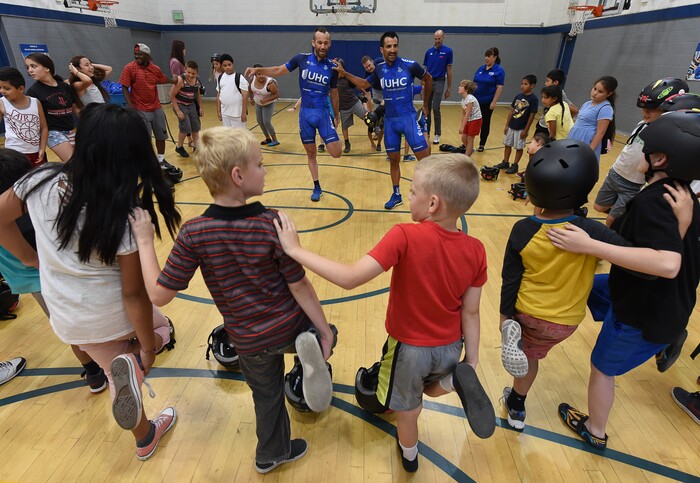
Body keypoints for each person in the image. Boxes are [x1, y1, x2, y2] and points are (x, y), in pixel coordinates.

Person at [128, 126, 335, 473]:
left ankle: (271, 454)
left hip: (248, 339)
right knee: (323, 332)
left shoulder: (194, 232)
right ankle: (308, 351)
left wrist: (146, 241)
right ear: (238, 176)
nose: (265, 170)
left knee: (266, 397)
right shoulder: (273, 223)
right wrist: (323, 329)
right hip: (287, 327)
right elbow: (300, 285)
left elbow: (160, 295)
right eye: (260, 164)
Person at [273, 153, 495, 472]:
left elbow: (350, 278)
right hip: (451, 345)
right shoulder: (476, 250)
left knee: (408, 411)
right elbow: (471, 313)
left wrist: (296, 250)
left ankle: (409, 455)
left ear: (432, 204)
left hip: (408, 350)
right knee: (433, 382)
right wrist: (470, 361)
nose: (408, 194)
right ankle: (454, 382)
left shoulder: (404, 235)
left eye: (413, 190)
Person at [0, 103, 181, 460]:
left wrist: (27, 257)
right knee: (162, 332)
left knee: (115, 375)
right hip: (113, 314)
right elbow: (134, 296)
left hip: (68, 319)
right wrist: (146, 347)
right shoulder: (123, 213)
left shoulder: (38, 181)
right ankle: (134, 364)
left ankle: (144, 437)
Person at [547, 111, 700, 450]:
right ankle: (667, 337)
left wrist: (590, 244)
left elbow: (667, 263)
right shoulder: (683, 195)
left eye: (644, 146)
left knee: (602, 367)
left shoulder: (654, 202)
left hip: (644, 310)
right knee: (586, 284)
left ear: (659, 158)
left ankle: (595, 430)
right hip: (660, 297)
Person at [499, 140, 630, 431]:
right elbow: (629, 255)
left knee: (528, 357)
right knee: (534, 353)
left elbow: (511, 279)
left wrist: (504, 318)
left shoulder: (523, 230)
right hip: (565, 322)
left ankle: (516, 406)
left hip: (527, 313)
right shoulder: (590, 231)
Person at [0, 147, 111, 393]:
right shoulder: (23, 219)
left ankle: (94, 373)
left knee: (68, 327)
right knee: (84, 323)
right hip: (48, 276)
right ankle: (107, 366)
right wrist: (33, 259)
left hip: (29, 281)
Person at [333, 31, 433, 210]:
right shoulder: (379, 69)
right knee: (394, 160)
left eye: (395, 45)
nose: (392, 49)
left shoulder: (410, 66)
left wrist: (426, 105)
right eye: (388, 46)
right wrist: (345, 73)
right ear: (382, 49)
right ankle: (396, 195)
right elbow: (364, 84)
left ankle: (432, 197)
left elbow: (428, 78)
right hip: (391, 122)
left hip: (408, 118)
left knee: (426, 162)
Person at [245, 28, 342, 202]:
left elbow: (334, 93)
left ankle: (326, 138)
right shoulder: (301, 59)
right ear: (313, 42)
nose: (322, 45)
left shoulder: (333, 67)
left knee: (336, 152)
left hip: (322, 113)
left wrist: (337, 115)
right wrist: (259, 70)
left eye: (326, 42)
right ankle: (317, 186)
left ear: (330, 44)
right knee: (311, 155)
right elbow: (278, 69)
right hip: (305, 115)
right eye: (319, 42)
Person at [594, 78, 688, 226]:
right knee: (598, 207)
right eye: (644, 108)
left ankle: (621, 218)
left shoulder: (665, 134)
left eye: (652, 109)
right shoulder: (642, 123)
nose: (645, 112)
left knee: (611, 221)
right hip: (616, 172)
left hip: (633, 183)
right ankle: (625, 213)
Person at [119, 43, 183, 182]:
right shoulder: (129, 68)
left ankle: (160, 160)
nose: (137, 57)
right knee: (145, 139)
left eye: (140, 54)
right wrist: (131, 107)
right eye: (135, 54)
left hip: (156, 107)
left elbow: (162, 78)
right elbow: (124, 87)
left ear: (148, 55)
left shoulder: (155, 69)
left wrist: (174, 80)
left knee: (161, 134)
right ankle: (146, 164)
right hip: (140, 108)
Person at [24, 53, 76, 162]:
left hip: (70, 129)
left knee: (81, 162)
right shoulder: (33, 92)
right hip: (53, 132)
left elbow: (75, 108)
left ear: (47, 68)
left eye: (33, 66)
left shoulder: (64, 86)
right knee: (73, 162)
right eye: (27, 67)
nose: (30, 70)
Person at [0, 67, 48, 167]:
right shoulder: (2, 103)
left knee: (39, 179)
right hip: (14, 154)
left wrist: (42, 148)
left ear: (21, 89)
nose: (2, 91)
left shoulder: (35, 102)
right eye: (0, 88)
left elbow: (44, 128)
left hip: (36, 153)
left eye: (7, 88)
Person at [495, 74, 538, 175]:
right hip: (511, 126)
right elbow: (511, 111)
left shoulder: (533, 99)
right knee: (507, 144)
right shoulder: (518, 96)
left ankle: (515, 165)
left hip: (521, 128)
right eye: (522, 84)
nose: (522, 86)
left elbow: (532, 115)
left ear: (532, 86)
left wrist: (526, 130)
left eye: (525, 84)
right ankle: (505, 161)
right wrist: (507, 125)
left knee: (518, 147)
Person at [568, 76, 617, 162]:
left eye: (600, 91)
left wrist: (589, 150)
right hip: (574, 137)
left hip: (586, 141)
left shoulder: (606, 108)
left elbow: (600, 133)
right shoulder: (587, 103)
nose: (595, 93)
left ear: (609, 94)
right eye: (594, 89)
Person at [423, 29, 453, 145]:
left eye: (439, 38)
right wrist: (423, 84)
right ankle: (427, 132)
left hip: (440, 81)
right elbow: (425, 71)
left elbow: (449, 70)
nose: (437, 41)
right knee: (426, 108)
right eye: (435, 39)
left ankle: (437, 134)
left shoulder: (448, 52)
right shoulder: (429, 52)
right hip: (428, 81)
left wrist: (449, 88)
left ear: (443, 37)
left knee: (436, 108)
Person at [473, 47, 505, 152]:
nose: (486, 58)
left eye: (489, 56)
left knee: (485, 122)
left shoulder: (499, 70)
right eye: (485, 56)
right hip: (476, 100)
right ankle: (469, 142)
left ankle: (482, 143)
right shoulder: (481, 68)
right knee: (473, 121)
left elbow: (499, 87)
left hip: (487, 101)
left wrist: (494, 101)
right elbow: (474, 83)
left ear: (494, 57)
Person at [170, 60, 204, 158]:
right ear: (185, 69)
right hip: (180, 105)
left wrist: (200, 107)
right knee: (185, 127)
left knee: (196, 126)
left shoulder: (196, 81)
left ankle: (197, 147)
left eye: (193, 73)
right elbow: (171, 96)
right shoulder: (181, 80)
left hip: (191, 104)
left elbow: (197, 95)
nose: (190, 75)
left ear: (197, 73)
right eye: (188, 72)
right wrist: (178, 111)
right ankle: (179, 147)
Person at [335, 58, 369, 154]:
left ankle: (375, 129)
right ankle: (347, 143)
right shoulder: (333, 80)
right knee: (344, 127)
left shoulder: (347, 78)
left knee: (368, 118)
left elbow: (357, 85)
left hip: (354, 103)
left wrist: (365, 93)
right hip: (343, 108)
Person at [535, 69, 578, 135]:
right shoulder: (549, 92)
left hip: (548, 129)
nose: (545, 83)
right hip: (542, 124)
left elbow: (575, 110)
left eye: (547, 81)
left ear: (555, 83)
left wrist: (562, 123)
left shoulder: (560, 94)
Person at [249, 64, 280, 146]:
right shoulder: (252, 79)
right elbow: (250, 88)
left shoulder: (270, 83)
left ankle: (275, 140)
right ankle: (268, 138)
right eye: (259, 74)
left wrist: (266, 100)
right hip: (258, 104)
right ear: (255, 74)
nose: (261, 76)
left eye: (263, 73)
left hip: (268, 104)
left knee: (266, 121)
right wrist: (251, 98)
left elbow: (276, 95)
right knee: (260, 121)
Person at [216, 54, 249, 129]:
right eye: (224, 65)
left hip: (237, 114)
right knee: (228, 136)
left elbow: (245, 96)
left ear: (233, 64)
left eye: (229, 64)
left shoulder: (239, 77)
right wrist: (218, 111)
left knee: (240, 137)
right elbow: (218, 95)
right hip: (225, 114)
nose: (227, 67)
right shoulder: (220, 77)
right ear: (221, 66)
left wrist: (243, 113)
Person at [458, 80, 482, 157]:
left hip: (475, 120)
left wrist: (462, 127)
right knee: (463, 138)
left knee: (470, 139)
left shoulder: (470, 99)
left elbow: (468, 113)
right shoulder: (463, 101)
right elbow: (463, 114)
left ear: (466, 89)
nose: (459, 87)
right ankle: (470, 149)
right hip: (468, 121)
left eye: (461, 86)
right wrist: (462, 125)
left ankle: (467, 158)